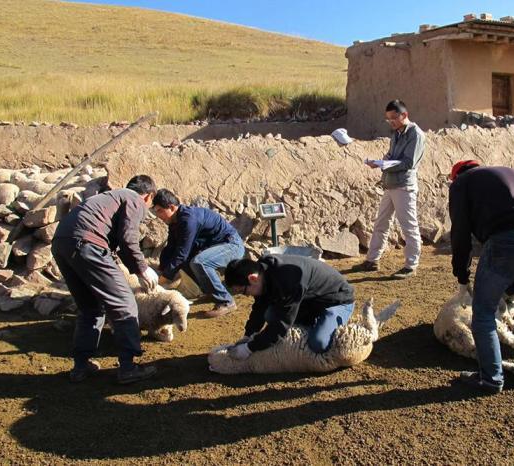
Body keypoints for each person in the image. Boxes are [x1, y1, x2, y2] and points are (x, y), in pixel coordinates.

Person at [449, 160, 514, 394]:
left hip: (508, 236)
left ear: (455, 176)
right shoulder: (509, 172)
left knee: (484, 311)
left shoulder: (461, 184)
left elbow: (460, 233)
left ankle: (490, 378)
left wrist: (462, 275)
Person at [52, 175, 159, 384]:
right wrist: (142, 269)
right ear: (148, 196)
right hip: (87, 243)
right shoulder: (134, 199)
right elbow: (128, 237)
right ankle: (128, 368)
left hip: (61, 243)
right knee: (125, 305)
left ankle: (80, 367)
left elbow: (111, 236)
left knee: (90, 307)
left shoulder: (108, 198)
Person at [223, 255, 355, 359]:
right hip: (310, 300)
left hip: (336, 300)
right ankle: (315, 324)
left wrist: (249, 348)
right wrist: (248, 335)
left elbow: (281, 324)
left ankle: (341, 323)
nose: (245, 295)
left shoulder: (288, 278)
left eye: (243, 291)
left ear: (252, 278)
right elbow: (260, 306)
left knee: (318, 343)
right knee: (270, 314)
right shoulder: (263, 271)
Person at [357, 99, 425, 279]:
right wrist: (379, 162)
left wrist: (385, 164)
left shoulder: (415, 134)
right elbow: (391, 155)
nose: (391, 122)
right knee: (381, 223)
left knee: (408, 227)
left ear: (405, 115)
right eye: (388, 119)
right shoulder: (396, 134)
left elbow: (409, 162)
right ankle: (372, 260)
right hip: (390, 183)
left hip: (404, 185)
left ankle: (411, 265)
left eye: (394, 118)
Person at [152, 189, 245, 318]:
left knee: (199, 262)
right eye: (155, 211)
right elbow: (171, 248)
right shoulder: (175, 222)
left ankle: (226, 301)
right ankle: (210, 292)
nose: (158, 215)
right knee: (186, 262)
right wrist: (161, 269)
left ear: (172, 207)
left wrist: (163, 279)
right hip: (215, 247)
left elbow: (181, 253)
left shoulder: (189, 219)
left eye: (159, 211)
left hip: (232, 245)